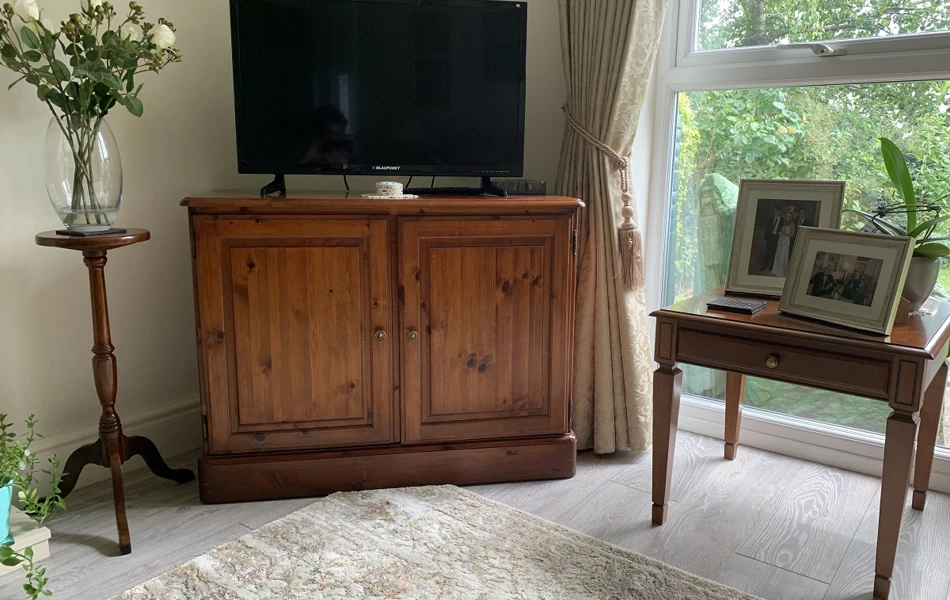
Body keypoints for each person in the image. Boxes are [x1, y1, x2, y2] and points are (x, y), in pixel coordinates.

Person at [770, 213, 796, 277]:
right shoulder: (784, 222)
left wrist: (783, 233)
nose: (788, 217)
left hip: (786, 240)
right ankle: (776, 269)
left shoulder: (792, 224)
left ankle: (782, 271)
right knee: (778, 254)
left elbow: (792, 235)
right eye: (787, 215)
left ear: (792, 217)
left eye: (790, 216)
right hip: (780, 239)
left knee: (783, 255)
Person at [762, 207, 783, 271]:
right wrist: (765, 239)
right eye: (774, 211)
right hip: (770, 237)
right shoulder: (771, 220)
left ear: (780, 212)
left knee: (774, 252)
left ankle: (773, 266)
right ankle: (765, 265)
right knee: (767, 252)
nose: (775, 212)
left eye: (776, 211)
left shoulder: (783, 220)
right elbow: (767, 229)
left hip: (777, 238)